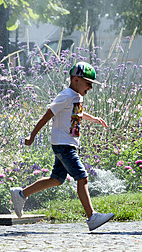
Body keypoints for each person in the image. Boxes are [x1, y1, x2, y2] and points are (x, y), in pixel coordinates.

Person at [10, 61, 114, 231]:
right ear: (76, 79)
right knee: (82, 177)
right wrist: (32, 135)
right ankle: (92, 217)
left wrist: (93, 118)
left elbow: (76, 112)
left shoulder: (76, 97)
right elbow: (47, 115)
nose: (91, 88)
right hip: (63, 145)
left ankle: (21, 194)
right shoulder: (66, 95)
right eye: (88, 83)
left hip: (66, 144)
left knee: (57, 179)